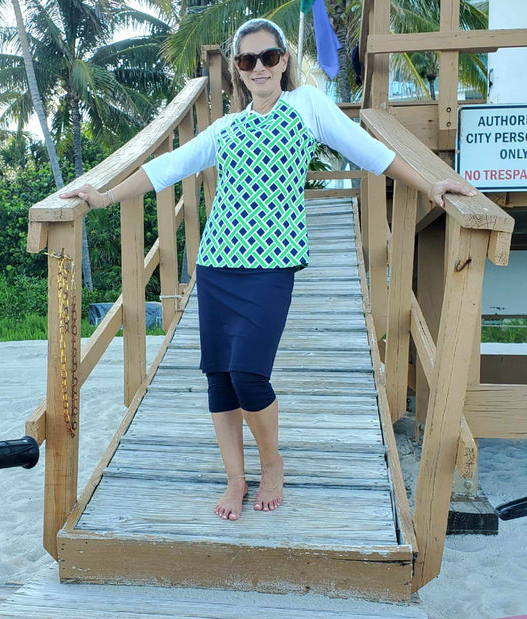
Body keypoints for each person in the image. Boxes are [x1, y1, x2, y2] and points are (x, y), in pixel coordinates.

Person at [61, 18, 476, 521]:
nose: (258, 67)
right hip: (216, 263)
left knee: (248, 373)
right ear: (237, 71)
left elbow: (373, 153)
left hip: (271, 265)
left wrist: (431, 183)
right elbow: (164, 168)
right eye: (247, 60)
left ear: (284, 61)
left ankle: (271, 463)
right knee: (220, 379)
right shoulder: (227, 127)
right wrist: (104, 196)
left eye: (268, 57)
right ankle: (235, 480)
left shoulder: (308, 109)